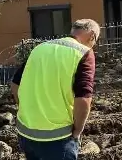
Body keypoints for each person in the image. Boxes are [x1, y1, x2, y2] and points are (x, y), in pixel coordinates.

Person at [10, 19, 100, 160]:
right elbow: (83, 98)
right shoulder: (84, 52)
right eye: (95, 41)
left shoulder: (40, 48)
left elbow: (15, 85)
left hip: (26, 133)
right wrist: (77, 131)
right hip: (59, 138)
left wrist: (25, 110)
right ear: (92, 36)